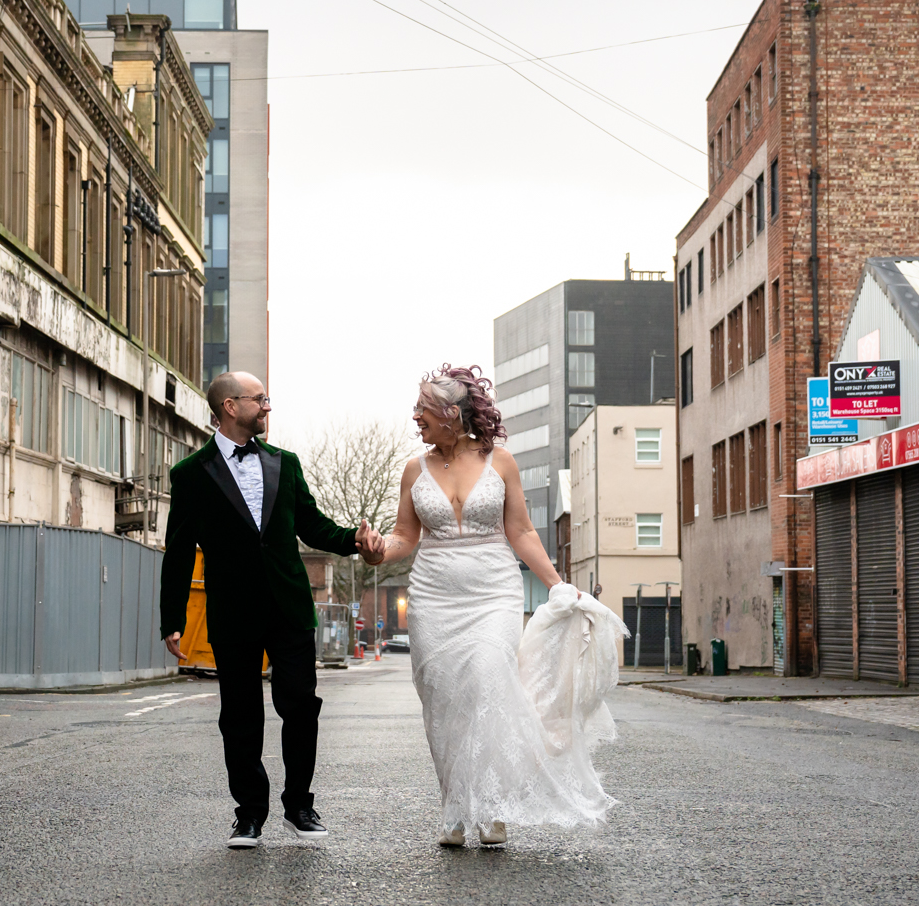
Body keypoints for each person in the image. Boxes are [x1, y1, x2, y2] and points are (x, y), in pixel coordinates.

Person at [377, 363, 624, 847]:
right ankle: (454, 804)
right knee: (444, 701)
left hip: (493, 592)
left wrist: (558, 584)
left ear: (451, 413)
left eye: (422, 409)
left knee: (488, 681)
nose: (415, 418)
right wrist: (374, 550)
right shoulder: (414, 469)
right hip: (433, 596)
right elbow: (404, 536)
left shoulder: (501, 461)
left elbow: (522, 531)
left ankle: (491, 805)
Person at [160, 371, 387, 850]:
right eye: (259, 399)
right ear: (229, 407)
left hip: (289, 606)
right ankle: (249, 815)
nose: (267, 406)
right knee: (240, 715)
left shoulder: (286, 463)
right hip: (233, 612)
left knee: (301, 706)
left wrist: (355, 540)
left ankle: (299, 805)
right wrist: (172, 619)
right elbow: (178, 551)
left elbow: (313, 525)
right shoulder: (190, 475)